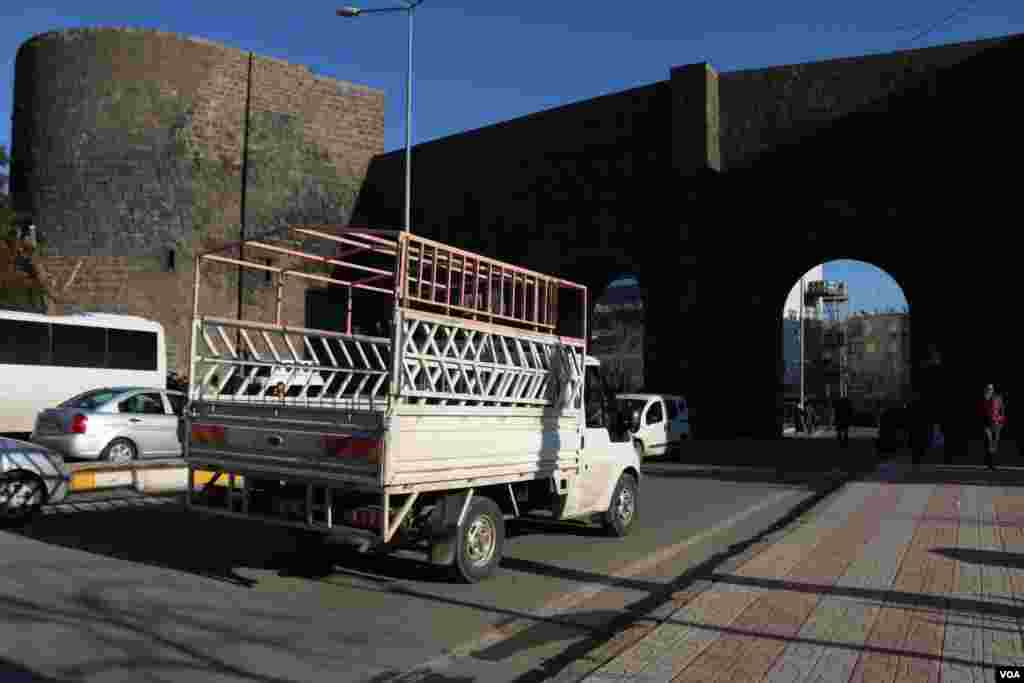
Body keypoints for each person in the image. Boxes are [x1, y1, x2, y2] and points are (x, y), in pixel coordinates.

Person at [980, 383, 1006, 470]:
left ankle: (993, 464)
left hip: (996, 423)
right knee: (988, 443)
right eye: (988, 388)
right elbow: (982, 411)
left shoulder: (998, 398)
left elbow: (1002, 410)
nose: (989, 390)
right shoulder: (984, 398)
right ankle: (989, 464)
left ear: (993, 389)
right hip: (987, 424)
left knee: (994, 444)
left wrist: (1001, 421)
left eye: (991, 388)